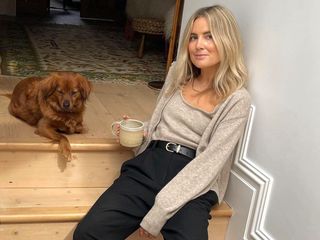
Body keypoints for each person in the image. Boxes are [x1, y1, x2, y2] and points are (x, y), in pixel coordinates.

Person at [73, 5, 251, 240]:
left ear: (227, 40)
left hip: (194, 179)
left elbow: (210, 163)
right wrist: (137, 130)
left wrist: (159, 212)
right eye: (193, 37)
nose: (199, 45)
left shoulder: (237, 99)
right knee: (88, 233)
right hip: (150, 165)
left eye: (209, 36)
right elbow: (159, 123)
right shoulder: (177, 73)